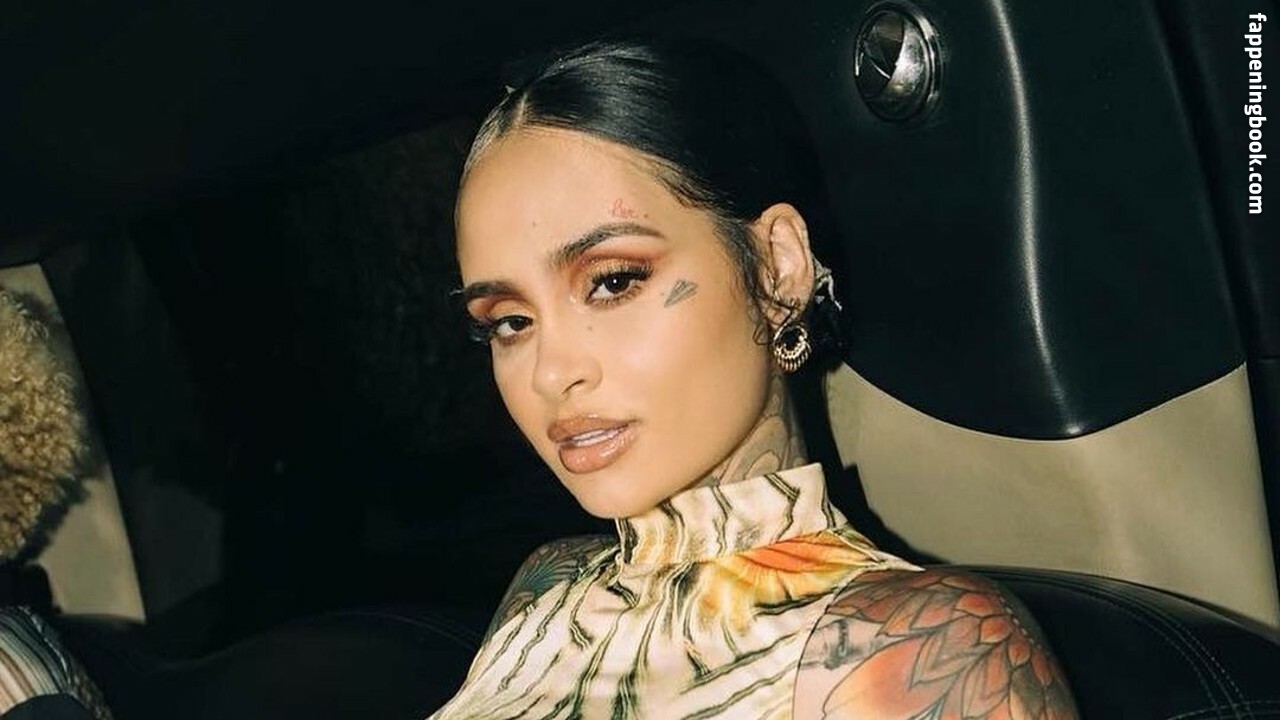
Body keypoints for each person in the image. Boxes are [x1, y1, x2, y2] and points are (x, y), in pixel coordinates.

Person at [435, 36, 1078, 719]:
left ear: (777, 268)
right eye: (510, 322)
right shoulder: (548, 588)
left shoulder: (915, 647)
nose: (551, 372)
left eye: (614, 282)